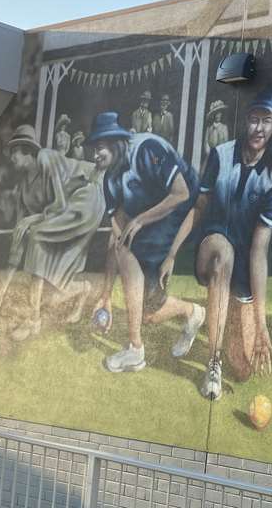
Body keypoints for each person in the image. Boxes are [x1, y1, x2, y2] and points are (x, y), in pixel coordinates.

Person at [186, 89, 272, 400]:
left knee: (243, 369)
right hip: (211, 249)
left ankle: (218, 320)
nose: (258, 128)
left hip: (241, 268)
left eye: (265, 121)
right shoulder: (220, 154)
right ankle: (212, 362)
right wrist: (171, 254)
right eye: (253, 120)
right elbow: (198, 207)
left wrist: (261, 322)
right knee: (223, 254)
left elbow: (259, 250)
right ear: (245, 122)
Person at [88, 112, 203, 373]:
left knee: (127, 253)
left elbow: (182, 193)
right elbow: (115, 238)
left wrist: (140, 221)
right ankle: (192, 312)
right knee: (147, 312)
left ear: (115, 142)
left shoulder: (145, 149)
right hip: (154, 220)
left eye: (99, 148)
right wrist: (105, 296)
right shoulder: (110, 180)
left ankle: (135, 349)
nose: (95, 156)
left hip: (188, 208)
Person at [0, 124, 105, 340]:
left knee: (36, 238)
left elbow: (60, 204)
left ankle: (33, 320)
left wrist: (33, 218)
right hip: (63, 212)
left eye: (14, 151)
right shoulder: (24, 187)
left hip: (87, 194)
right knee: (50, 281)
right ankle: (83, 289)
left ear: (27, 150)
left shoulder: (45, 158)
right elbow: (18, 239)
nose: (11, 157)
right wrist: (2, 290)